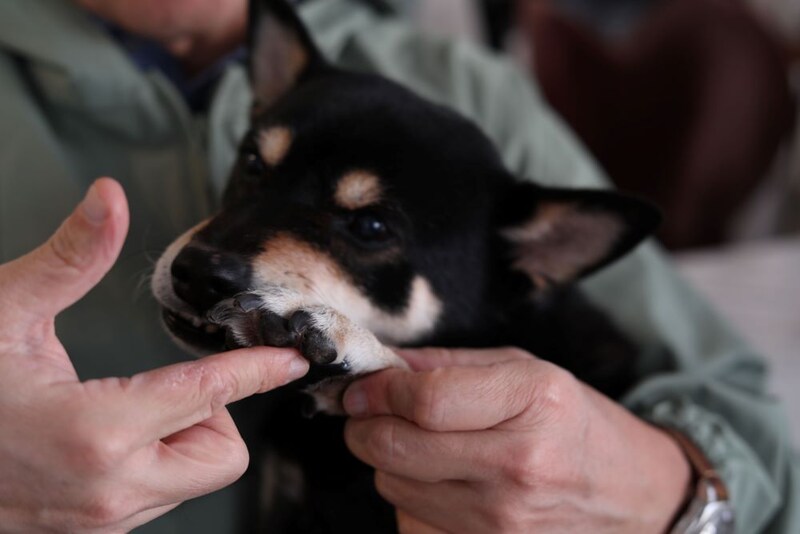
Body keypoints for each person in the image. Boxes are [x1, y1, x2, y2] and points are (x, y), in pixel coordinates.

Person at [0, 0, 796, 532]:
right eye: (256, 169)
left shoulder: (468, 94)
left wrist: (656, 490)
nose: (223, 257)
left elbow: (758, 441)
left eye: (370, 226)